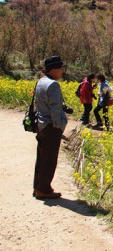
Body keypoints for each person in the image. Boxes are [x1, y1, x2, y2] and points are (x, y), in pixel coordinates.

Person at [33, 55, 68, 199]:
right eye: (60, 68)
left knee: (41, 157)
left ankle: (38, 187)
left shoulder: (41, 81)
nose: (62, 71)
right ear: (54, 69)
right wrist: (59, 126)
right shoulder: (53, 85)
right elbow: (54, 109)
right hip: (51, 127)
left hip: (40, 125)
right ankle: (44, 190)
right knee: (49, 159)